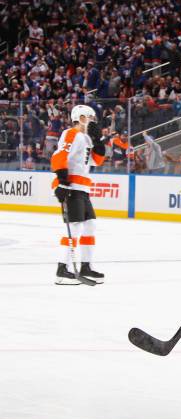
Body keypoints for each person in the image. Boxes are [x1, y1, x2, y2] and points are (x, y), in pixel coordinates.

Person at [51, 104, 106, 285]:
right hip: (71, 187)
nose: (92, 122)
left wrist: (98, 141)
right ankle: (62, 270)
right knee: (74, 227)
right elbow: (59, 155)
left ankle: (85, 266)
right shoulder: (71, 133)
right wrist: (62, 182)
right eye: (90, 118)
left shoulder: (86, 138)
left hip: (82, 189)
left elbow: (96, 162)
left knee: (90, 225)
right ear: (81, 118)